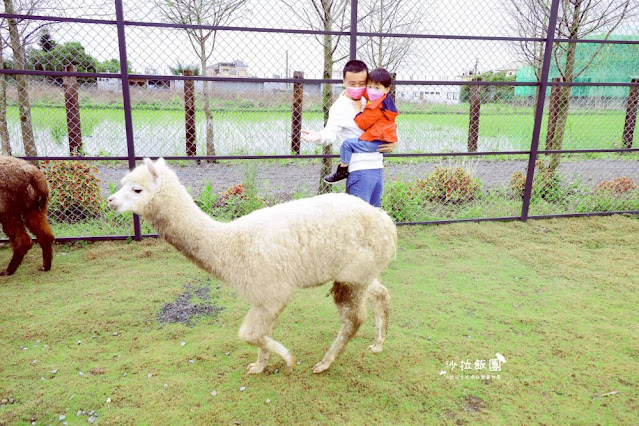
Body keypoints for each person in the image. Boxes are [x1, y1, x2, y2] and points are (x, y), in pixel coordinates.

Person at [301, 60, 397, 207]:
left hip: (377, 167)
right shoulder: (339, 107)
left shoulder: (371, 99)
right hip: (360, 170)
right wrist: (319, 136)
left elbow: (388, 122)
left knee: (374, 218)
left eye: (362, 83)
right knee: (359, 219)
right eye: (352, 84)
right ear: (344, 81)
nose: (357, 87)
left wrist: (394, 141)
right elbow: (329, 134)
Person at [324, 68, 398, 184]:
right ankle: (343, 170)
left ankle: (342, 170)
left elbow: (363, 124)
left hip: (377, 142)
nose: (372, 90)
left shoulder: (377, 108)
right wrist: (349, 92)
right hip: (382, 140)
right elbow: (368, 94)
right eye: (369, 86)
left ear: (386, 89)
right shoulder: (382, 99)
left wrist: (358, 110)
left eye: (377, 88)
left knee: (347, 145)